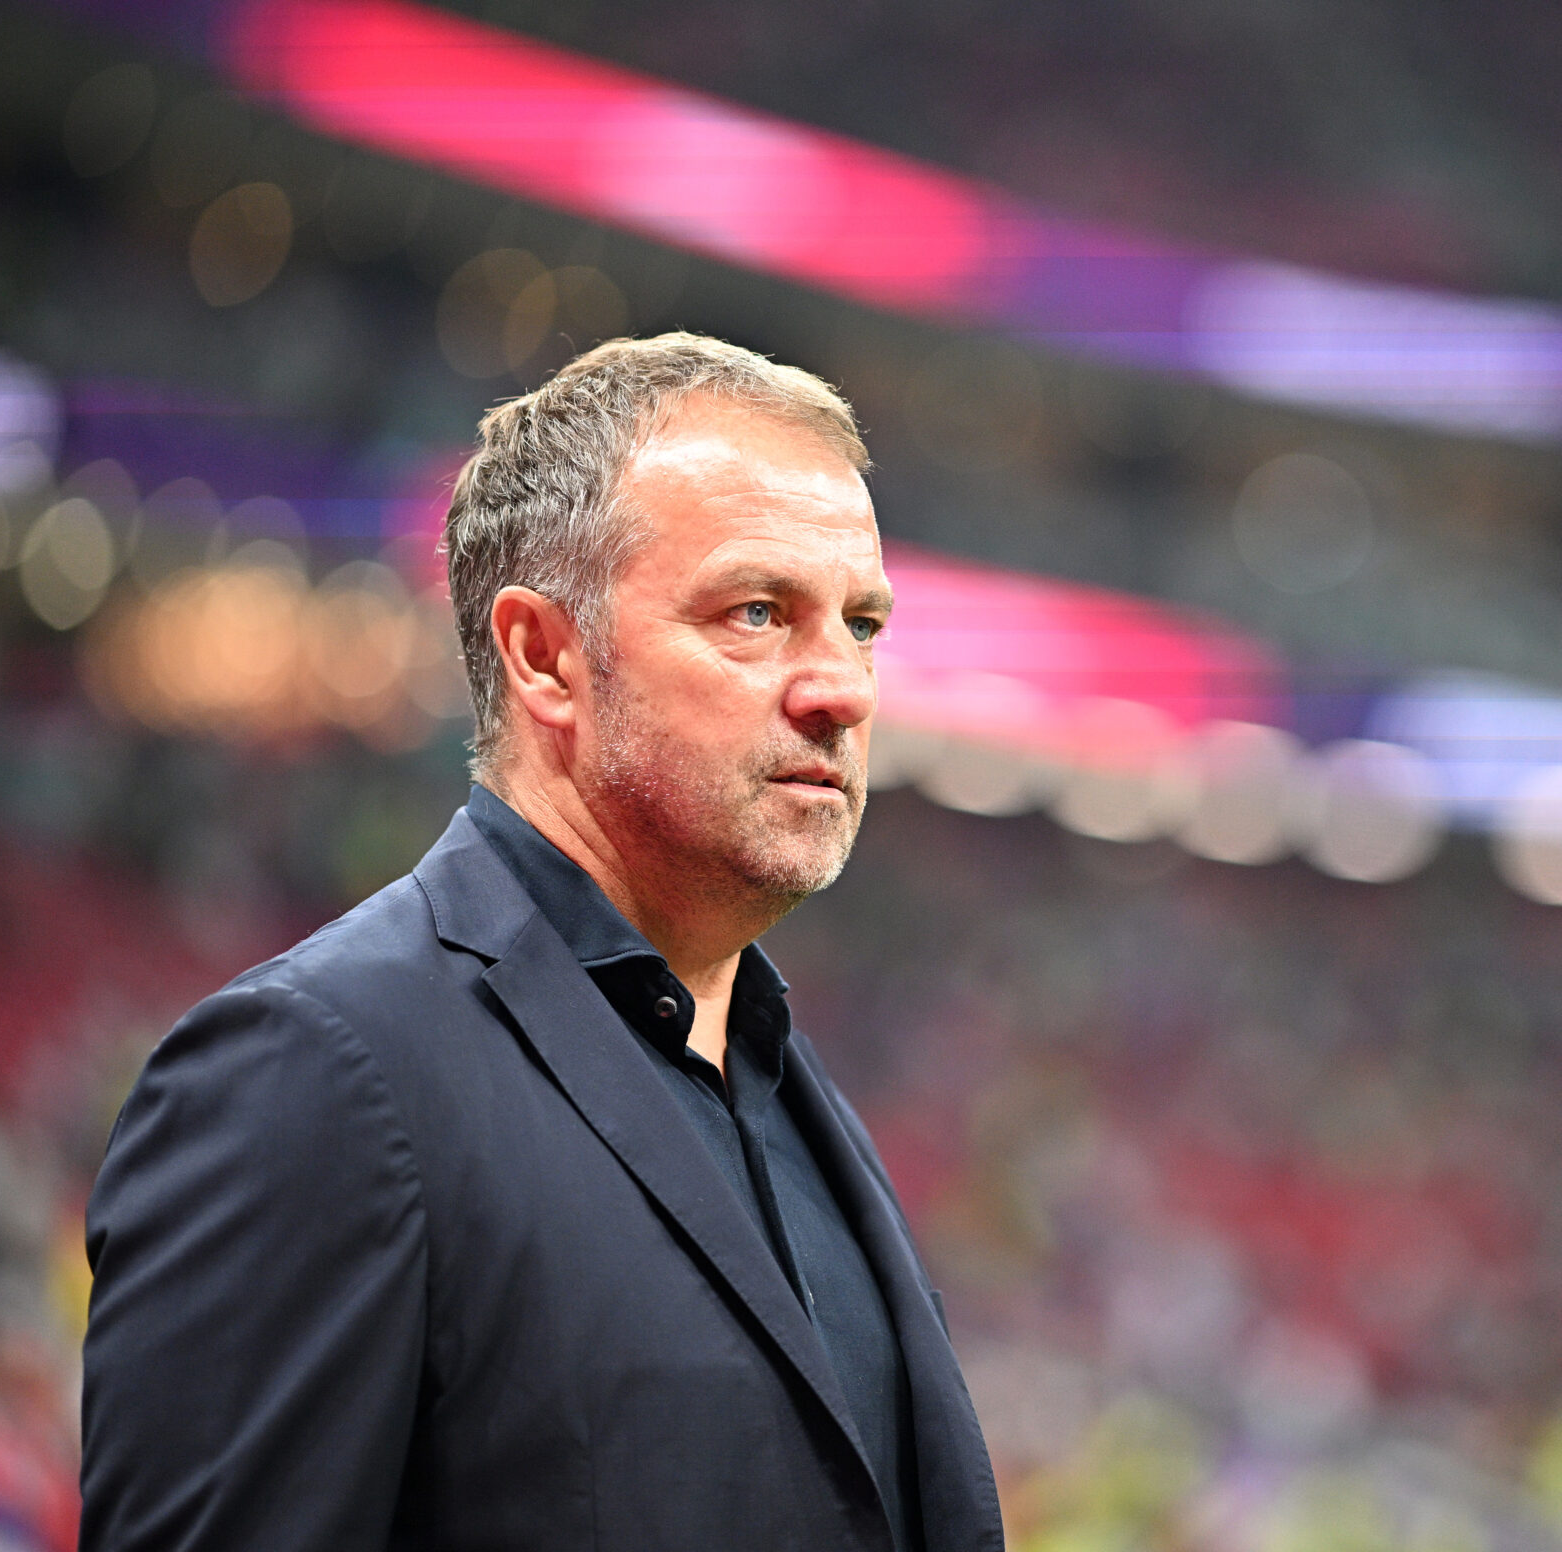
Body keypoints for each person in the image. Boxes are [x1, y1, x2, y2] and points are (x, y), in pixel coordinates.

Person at [79, 334, 1002, 1551]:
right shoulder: (313, 1076)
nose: (843, 688)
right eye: (759, 612)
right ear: (544, 656)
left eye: (863, 624)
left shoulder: (789, 1090)